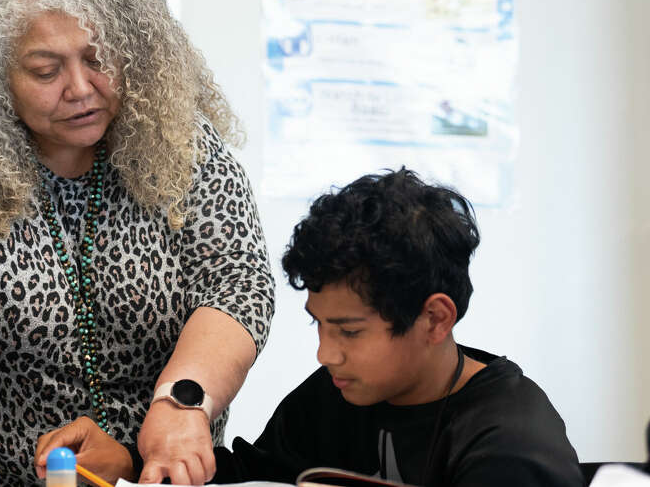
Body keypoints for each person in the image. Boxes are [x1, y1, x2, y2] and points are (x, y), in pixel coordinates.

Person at [0, 0, 275, 485]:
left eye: (99, 59)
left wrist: (181, 406)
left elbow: (234, 282)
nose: (80, 89)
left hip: (148, 472)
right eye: (45, 70)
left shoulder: (176, 135)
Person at [35, 168, 584, 486]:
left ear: (434, 318)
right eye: (319, 327)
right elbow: (254, 474)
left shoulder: (510, 443)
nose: (326, 355)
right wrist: (131, 462)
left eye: (349, 332)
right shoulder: (335, 397)